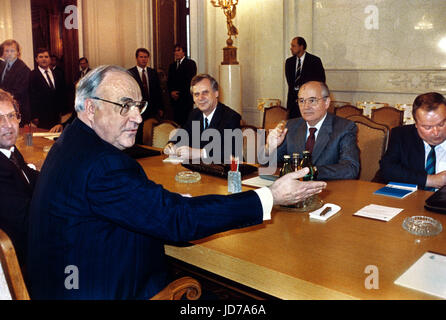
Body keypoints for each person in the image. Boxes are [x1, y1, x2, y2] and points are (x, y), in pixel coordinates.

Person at [27, 65, 326, 300]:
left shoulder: (70, 142)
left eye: (139, 106)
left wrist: (166, 206)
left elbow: (141, 207)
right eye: (125, 106)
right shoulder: (104, 164)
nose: (136, 118)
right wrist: (270, 196)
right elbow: (178, 222)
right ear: (90, 108)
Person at [265, 81, 360, 180]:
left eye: (312, 100)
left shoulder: (344, 128)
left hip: (328, 189)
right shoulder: (291, 126)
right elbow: (267, 164)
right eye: (301, 101)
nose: (306, 107)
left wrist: (309, 171)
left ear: (326, 102)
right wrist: (270, 148)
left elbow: (350, 168)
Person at [164, 73, 241, 163]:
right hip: (198, 169)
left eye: (205, 92)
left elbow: (231, 152)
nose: (200, 98)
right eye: (196, 94)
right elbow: (181, 135)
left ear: (216, 93)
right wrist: (171, 145)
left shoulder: (231, 117)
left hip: (226, 172)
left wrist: (200, 153)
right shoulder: (194, 114)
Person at [0, 89, 38, 268]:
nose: (8, 124)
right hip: (24, 260)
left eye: (11, 115)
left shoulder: (10, 152)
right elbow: (28, 221)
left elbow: (29, 176)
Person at [379, 92, 446, 190]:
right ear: (416, 124)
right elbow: (387, 169)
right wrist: (429, 180)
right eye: (427, 127)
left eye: (441, 124)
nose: (436, 132)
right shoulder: (402, 135)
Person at [128, 48, 164, 144]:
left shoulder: (152, 72)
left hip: (152, 109)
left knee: (151, 133)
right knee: (138, 134)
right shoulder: (130, 73)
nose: (144, 59)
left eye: (146, 57)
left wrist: (160, 107)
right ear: (136, 58)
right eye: (141, 57)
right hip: (138, 109)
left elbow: (158, 91)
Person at [285, 37, 326, 119]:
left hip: (309, 103)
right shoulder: (289, 62)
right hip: (293, 104)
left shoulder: (314, 61)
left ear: (301, 46)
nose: (291, 48)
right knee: (293, 128)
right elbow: (290, 83)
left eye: (294, 46)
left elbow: (321, 81)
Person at [29, 48, 66, 129]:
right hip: (41, 116)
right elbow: (31, 97)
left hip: (57, 115)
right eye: (41, 57)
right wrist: (34, 116)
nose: (44, 59)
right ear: (36, 59)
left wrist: (63, 112)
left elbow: (62, 93)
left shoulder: (58, 74)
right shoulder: (32, 75)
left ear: (50, 59)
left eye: (46, 57)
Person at [0, 39, 31, 126]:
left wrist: (3, 94)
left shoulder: (23, 69)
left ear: (18, 52)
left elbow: (20, 91)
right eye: (6, 51)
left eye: (12, 51)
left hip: (17, 110)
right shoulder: (3, 66)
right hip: (4, 108)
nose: (9, 53)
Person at [167, 44, 197, 126]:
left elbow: (189, 81)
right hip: (175, 100)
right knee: (176, 123)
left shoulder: (190, 63)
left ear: (184, 52)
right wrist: (171, 92)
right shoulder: (172, 66)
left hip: (185, 99)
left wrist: (179, 93)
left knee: (186, 122)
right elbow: (169, 81)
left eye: (178, 50)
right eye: (175, 51)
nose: (176, 53)